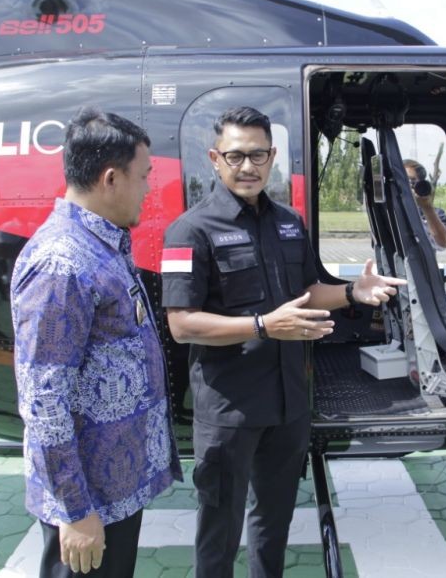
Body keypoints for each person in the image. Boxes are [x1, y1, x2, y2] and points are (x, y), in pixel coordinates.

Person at [161, 105, 404, 578]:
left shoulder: (289, 222)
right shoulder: (190, 230)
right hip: (230, 409)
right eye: (235, 156)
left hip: (288, 404)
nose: (247, 166)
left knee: (274, 524)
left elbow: (308, 292)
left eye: (257, 155)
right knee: (220, 529)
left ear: (273, 157)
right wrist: (262, 326)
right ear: (215, 159)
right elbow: (183, 325)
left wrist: (354, 290)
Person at [11, 107, 182, 577]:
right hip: (90, 503)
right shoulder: (61, 264)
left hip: (113, 491)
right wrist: (74, 510)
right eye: (144, 176)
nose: (148, 189)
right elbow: (44, 400)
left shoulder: (99, 245)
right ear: (111, 178)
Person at [403, 158, 446, 250]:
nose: (407, 186)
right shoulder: (388, 212)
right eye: (403, 181)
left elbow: (442, 244)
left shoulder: (435, 214)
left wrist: (427, 208)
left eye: (412, 181)